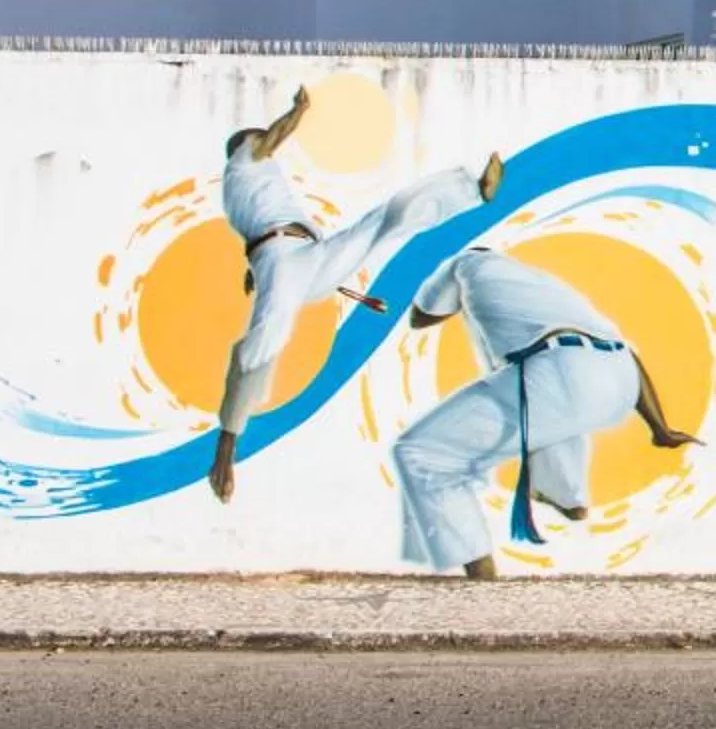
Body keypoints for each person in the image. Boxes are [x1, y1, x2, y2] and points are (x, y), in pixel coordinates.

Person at [207, 86, 502, 502]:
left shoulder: (244, 187)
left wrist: (254, 271)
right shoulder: (245, 160)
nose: (267, 145)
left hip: (306, 257)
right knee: (263, 340)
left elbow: (257, 233)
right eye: (259, 139)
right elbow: (273, 141)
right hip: (287, 260)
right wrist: (298, 110)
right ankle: (225, 448)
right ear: (244, 145)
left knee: (382, 221)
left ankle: (471, 190)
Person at [391, 246, 696, 579]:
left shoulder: (465, 263)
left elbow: (419, 318)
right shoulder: (548, 289)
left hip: (558, 374)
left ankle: (480, 577)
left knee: (422, 452)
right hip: (619, 379)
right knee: (551, 419)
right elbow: (629, 355)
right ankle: (567, 496)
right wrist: (660, 428)